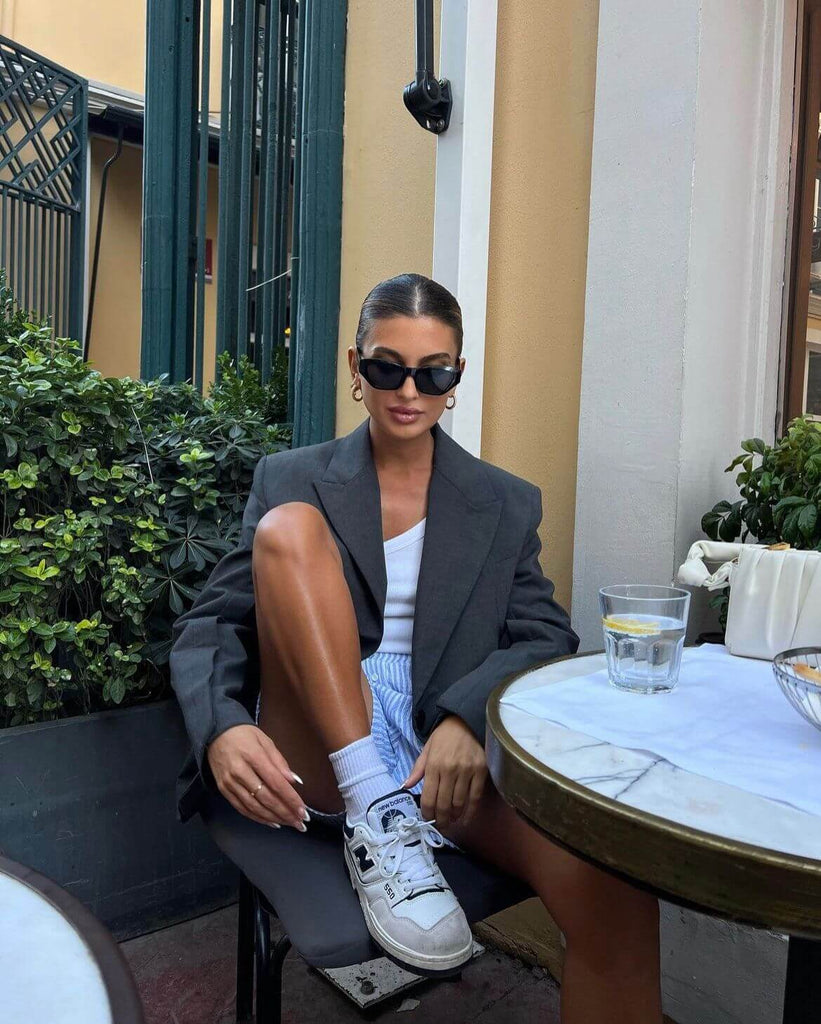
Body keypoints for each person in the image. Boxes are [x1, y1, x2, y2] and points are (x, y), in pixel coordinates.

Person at [169, 273, 662, 1021]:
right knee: (290, 532)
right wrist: (223, 725)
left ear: (456, 377)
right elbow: (214, 622)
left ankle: (399, 820)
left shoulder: (503, 502)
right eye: (385, 366)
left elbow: (542, 635)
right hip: (318, 729)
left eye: (432, 372)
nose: (408, 390)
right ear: (354, 367)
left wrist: (468, 718)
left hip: (439, 749)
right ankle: (374, 812)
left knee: (615, 893)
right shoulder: (291, 478)